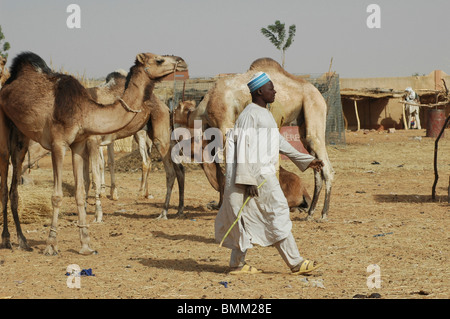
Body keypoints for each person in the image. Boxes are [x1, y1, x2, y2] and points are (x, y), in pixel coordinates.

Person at [215, 71, 324, 275]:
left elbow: (278, 142)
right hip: (258, 176)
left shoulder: (264, 114)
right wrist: (247, 180)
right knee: (278, 212)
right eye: (270, 88)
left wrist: (306, 160)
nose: (274, 92)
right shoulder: (250, 115)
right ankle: (296, 262)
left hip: (261, 176)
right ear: (259, 91)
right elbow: (244, 149)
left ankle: (237, 264)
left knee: (245, 216)